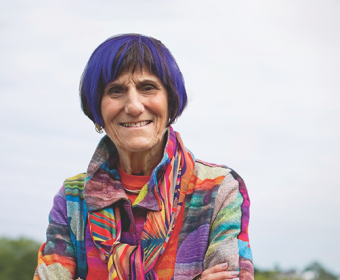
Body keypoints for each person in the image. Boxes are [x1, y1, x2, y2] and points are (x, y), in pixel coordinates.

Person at [34, 34, 254, 280]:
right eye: (115, 91)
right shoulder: (73, 199)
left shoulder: (218, 190)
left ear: (171, 101)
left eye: (147, 87)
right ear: (97, 110)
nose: (134, 106)